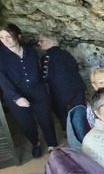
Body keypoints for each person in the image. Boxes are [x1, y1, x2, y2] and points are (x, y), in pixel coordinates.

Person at [0, 23, 58, 157]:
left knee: (45, 118)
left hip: (37, 90)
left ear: (18, 36)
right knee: (26, 124)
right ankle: (35, 142)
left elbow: (38, 70)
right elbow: (2, 79)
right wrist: (16, 97)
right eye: (2, 38)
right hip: (15, 94)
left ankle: (51, 144)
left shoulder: (30, 51)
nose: (5, 40)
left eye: (8, 36)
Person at [38, 33, 86, 131]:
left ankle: (70, 132)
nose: (38, 43)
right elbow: (75, 68)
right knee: (79, 111)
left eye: (41, 41)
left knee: (61, 112)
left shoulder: (47, 57)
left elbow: (46, 75)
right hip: (77, 86)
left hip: (60, 90)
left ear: (49, 42)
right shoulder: (66, 53)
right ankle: (83, 131)